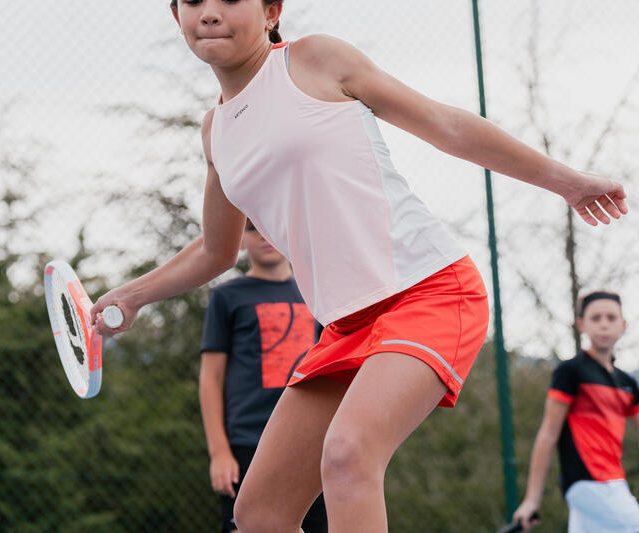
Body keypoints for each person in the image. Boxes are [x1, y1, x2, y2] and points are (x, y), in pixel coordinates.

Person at [91, 1, 628, 530]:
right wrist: (133, 295)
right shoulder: (216, 133)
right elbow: (216, 249)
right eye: (193, 0)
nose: (209, 12)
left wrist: (569, 183)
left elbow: (447, 125)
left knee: (348, 454)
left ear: (271, 10)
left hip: (430, 292)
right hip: (344, 328)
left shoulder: (315, 60)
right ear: (176, 14)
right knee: (260, 514)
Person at [200, 219, 328, 533]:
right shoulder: (226, 296)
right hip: (246, 444)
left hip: (309, 443)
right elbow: (210, 378)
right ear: (239, 239)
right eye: (253, 228)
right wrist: (219, 453)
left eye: (270, 224)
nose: (264, 235)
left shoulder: (319, 292)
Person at [512, 291, 639, 533]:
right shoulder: (570, 372)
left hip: (615, 483)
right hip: (586, 483)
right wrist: (531, 500)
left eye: (611, 318)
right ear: (582, 325)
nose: (604, 323)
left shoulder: (628, 383)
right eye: (596, 317)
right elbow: (548, 434)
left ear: (623, 325)